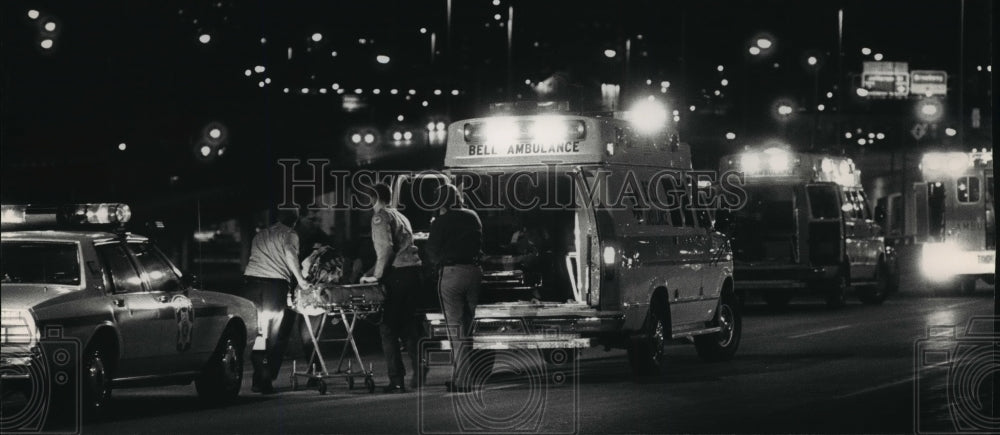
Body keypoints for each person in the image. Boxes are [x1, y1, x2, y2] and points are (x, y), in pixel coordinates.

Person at [360, 183, 424, 393]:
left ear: (373, 198)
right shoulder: (400, 216)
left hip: (397, 276)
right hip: (414, 273)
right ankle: (419, 368)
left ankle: (396, 379)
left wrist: (375, 277)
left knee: (387, 328)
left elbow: (385, 249)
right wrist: (371, 272)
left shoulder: (380, 217)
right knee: (408, 325)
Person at [240, 208, 309, 394]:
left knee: (258, 332)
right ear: (295, 222)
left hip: (251, 285)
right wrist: (301, 280)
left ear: (278, 218)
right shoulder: (290, 234)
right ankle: (265, 377)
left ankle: (259, 376)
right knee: (276, 334)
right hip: (274, 286)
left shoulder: (260, 234)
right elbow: (289, 253)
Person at [425, 184, 483, 393]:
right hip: (474, 272)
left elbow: (431, 251)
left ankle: (463, 381)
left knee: (456, 330)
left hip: (452, 274)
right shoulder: (473, 216)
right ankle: (466, 376)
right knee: (469, 328)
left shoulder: (440, 222)